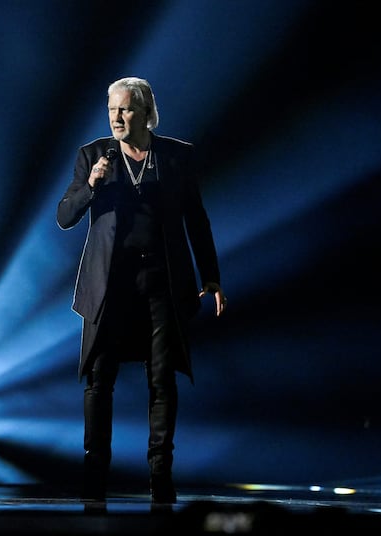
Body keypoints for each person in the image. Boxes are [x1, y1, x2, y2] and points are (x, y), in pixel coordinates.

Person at [56, 76, 227, 504]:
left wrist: (211, 275)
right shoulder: (93, 155)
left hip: (161, 283)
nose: (116, 117)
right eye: (112, 109)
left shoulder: (176, 156)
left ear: (146, 113)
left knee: (162, 378)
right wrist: (91, 185)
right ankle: (95, 472)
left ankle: (160, 473)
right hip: (109, 285)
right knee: (99, 379)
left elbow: (196, 218)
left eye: (126, 109)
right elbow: (64, 216)